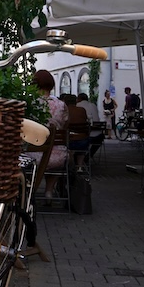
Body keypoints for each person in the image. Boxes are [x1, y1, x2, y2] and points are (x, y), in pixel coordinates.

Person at [30, 69, 69, 203]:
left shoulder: (32, 104)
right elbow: (64, 125)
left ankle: (30, 192)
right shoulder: (61, 105)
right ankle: (49, 192)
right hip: (57, 155)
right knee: (54, 162)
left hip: (35, 154)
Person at [77, 93, 104, 158]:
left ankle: (79, 158)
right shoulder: (93, 105)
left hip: (85, 136)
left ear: (79, 99)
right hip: (98, 136)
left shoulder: (77, 106)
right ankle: (88, 157)